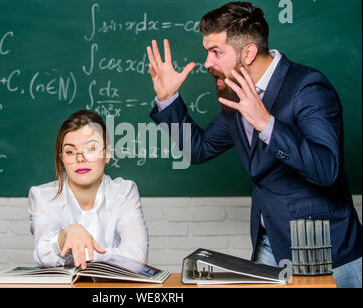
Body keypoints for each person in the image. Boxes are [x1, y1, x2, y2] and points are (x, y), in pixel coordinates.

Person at [146, 2, 361, 287]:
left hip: (326, 252)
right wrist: (168, 100)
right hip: (269, 247)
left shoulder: (307, 87)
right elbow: (197, 149)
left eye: (216, 52)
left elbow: (327, 169)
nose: (207, 63)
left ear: (247, 53)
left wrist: (267, 124)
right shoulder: (235, 95)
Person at [28, 110, 148, 269]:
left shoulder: (124, 192)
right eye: (70, 151)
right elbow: (43, 256)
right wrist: (65, 237)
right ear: (62, 158)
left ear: (107, 154)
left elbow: (137, 259)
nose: (80, 158)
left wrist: (81, 252)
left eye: (91, 148)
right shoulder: (42, 196)